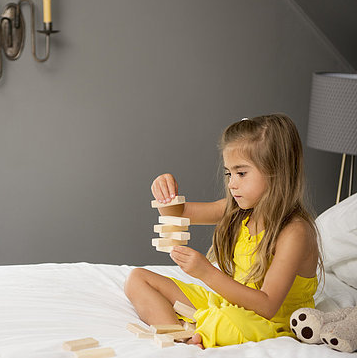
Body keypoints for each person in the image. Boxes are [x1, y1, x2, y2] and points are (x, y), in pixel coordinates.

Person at [124, 113, 323, 349]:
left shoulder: (295, 231)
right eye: (229, 173)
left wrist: (206, 272)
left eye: (241, 173)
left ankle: (199, 329)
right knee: (137, 279)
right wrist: (163, 187)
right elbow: (175, 213)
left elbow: (268, 306)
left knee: (225, 320)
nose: (231, 184)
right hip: (230, 302)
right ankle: (178, 335)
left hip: (268, 319)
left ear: (277, 172)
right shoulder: (239, 209)